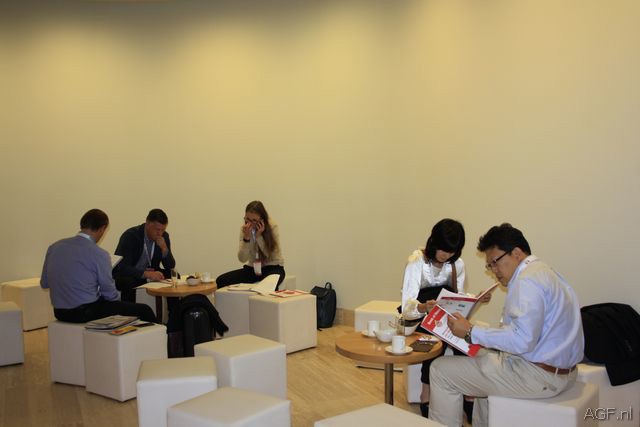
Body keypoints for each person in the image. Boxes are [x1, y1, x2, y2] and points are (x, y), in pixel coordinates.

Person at [429, 223, 584, 427]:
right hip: (561, 372)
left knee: (440, 369)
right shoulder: (544, 272)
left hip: (539, 377)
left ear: (516, 253)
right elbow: (527, 335)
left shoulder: (526, 281)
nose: (494, 271)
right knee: (479, 355)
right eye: (490, 266)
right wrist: (474, 333)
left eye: (495, 262)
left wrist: (470, 331)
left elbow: (522, 341)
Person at [401, 218, 482, 419]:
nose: (447, 255)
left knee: (466, 337)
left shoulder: (457, 264)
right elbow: (406, 308)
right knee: (435, 338)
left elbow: (459, 296)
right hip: (421, 316)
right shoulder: (417, 261)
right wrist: (423, 307)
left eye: (452, 251)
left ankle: (468, 394)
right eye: (444, 249)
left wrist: (475, 299)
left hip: (445, 314)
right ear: (434, 242)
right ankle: (426, 394)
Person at [40, 209, 156, 323]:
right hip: (85, 311)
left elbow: (44, 283)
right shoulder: (99, 254)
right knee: (144, 310)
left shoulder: (54, 247)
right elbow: (110, 294)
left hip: (60, 312)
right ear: (102, 228)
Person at [216, 201, 285, 289]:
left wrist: (259, 237)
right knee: (221, 280)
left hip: (273, 267)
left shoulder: (272, 226)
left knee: (268, 285)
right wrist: (246, 238)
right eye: (247, 219)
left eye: (254, 220)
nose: (250, 223)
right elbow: (242, 259)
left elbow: (272, 256)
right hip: (253, 268)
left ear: (262, 219)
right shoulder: (245, 229)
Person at [113, 208, 176, 303]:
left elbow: (170, 266)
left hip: (151, 273)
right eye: (157, 229)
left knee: (174, 275)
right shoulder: (130, 235)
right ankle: (129, 311)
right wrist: (146, 274)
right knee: (128, 281)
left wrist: (164, 248)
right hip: (131, 274)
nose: (160, 233)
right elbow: (123, 267)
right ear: (147, 223)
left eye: (163, 230)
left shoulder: (164, 236)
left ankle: (173, 312)